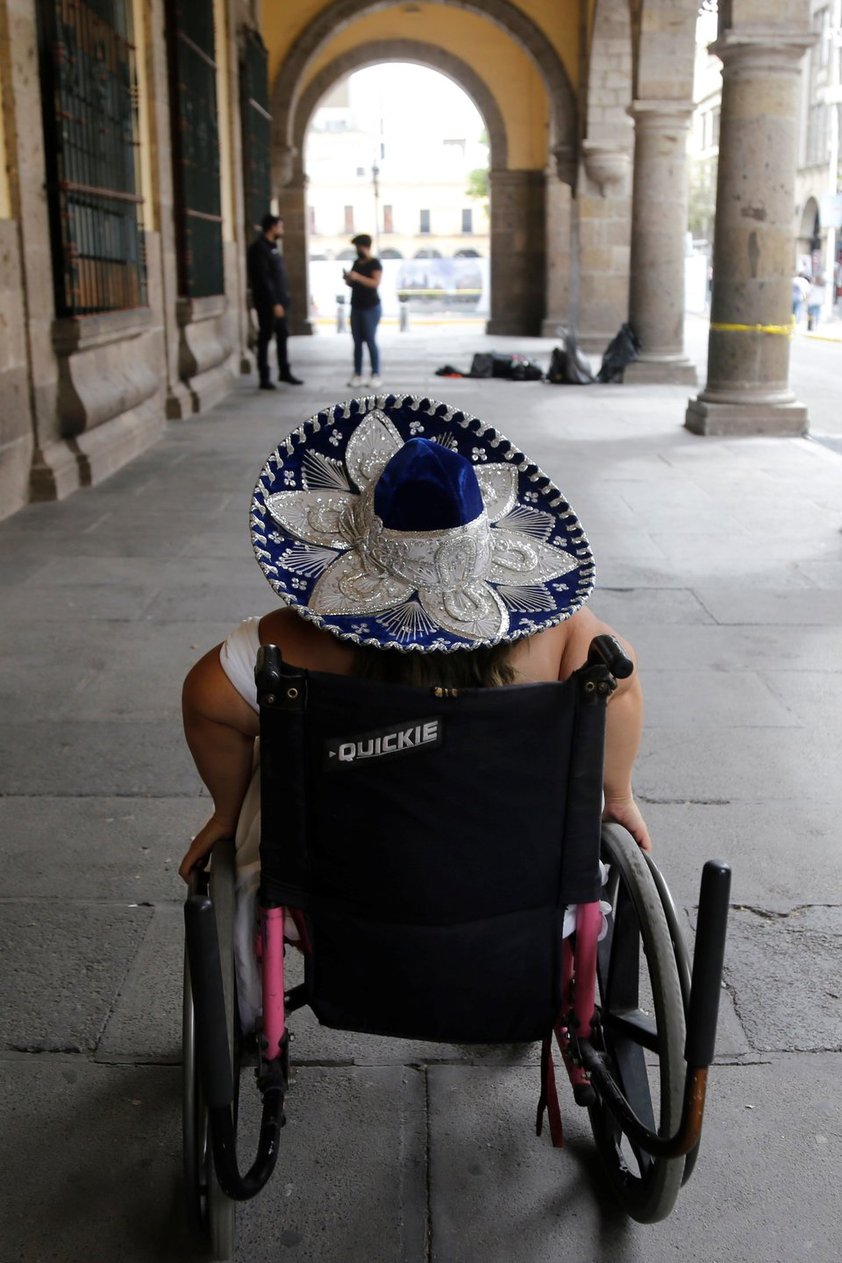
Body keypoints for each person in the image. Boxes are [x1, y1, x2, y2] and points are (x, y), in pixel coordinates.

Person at [179, 398, 650, 889]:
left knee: (274, 756)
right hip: (526, 888)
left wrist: (226, 814)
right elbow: (621, 681)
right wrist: (618, 799)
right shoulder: (566, 634)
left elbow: (206, 700)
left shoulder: (293, 643)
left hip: (332, 890)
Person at [246, 214, 303, 390]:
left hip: (280, 301)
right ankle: (264, 377)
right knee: (265, 337)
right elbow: (263, 280)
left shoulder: (273, 248)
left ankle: (284, 372)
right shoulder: (259, 249)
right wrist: (274, 303)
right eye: (280, 227)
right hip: (269, 303)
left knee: (282, 335)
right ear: (272, 227)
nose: (282, 230)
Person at [343, 234, 382, 388]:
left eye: (358, 246)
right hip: (356, 306)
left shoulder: (375, 263)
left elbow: (375, 283)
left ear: (365, 246)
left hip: (370, 307)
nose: (357, 250)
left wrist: (358, 277)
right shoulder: (356, 263)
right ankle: (357, 373)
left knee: (370, 340)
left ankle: (375, 374)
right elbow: (354, 283)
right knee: (357, 342)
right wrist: (349, 279)